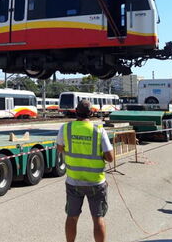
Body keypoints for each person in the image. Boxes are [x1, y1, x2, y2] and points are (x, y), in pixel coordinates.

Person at [56, 99, 114, 242]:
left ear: (76, 111)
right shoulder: (99, 130)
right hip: (96, 182)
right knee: (98, 218)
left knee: (72, 217)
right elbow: (110, 157)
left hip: (73, 181)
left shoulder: (66, 128)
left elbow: (59, 148)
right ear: (91, 113)